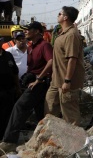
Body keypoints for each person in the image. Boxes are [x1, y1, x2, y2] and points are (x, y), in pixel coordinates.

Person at [0, 22, 53, 153]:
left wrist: (39, 78)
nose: (26, 32)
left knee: (19, 107)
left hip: (39, 83)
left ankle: (9, 141)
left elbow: (51, 61)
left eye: (28, 30)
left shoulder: (44, 45)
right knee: (40, 112)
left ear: (36, 31)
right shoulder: (31, 47)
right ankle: (43, 140)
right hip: (32, 82)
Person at [45, 6, 85, 125]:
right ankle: (51, 134)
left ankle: (74, 140)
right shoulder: (62, 33)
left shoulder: (71, 35)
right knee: (50, 105)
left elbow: (72, 59)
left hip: (67, 81)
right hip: (56, 79)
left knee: (69, 113)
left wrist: (67, 80)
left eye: (59, 13)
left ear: (65, 17)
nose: (58, 15)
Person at [0, 37, 19, 142]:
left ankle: (5, 139)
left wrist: (18, 88)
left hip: (8, 91)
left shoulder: (8, 55)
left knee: (8, 115)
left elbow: (15, 72)